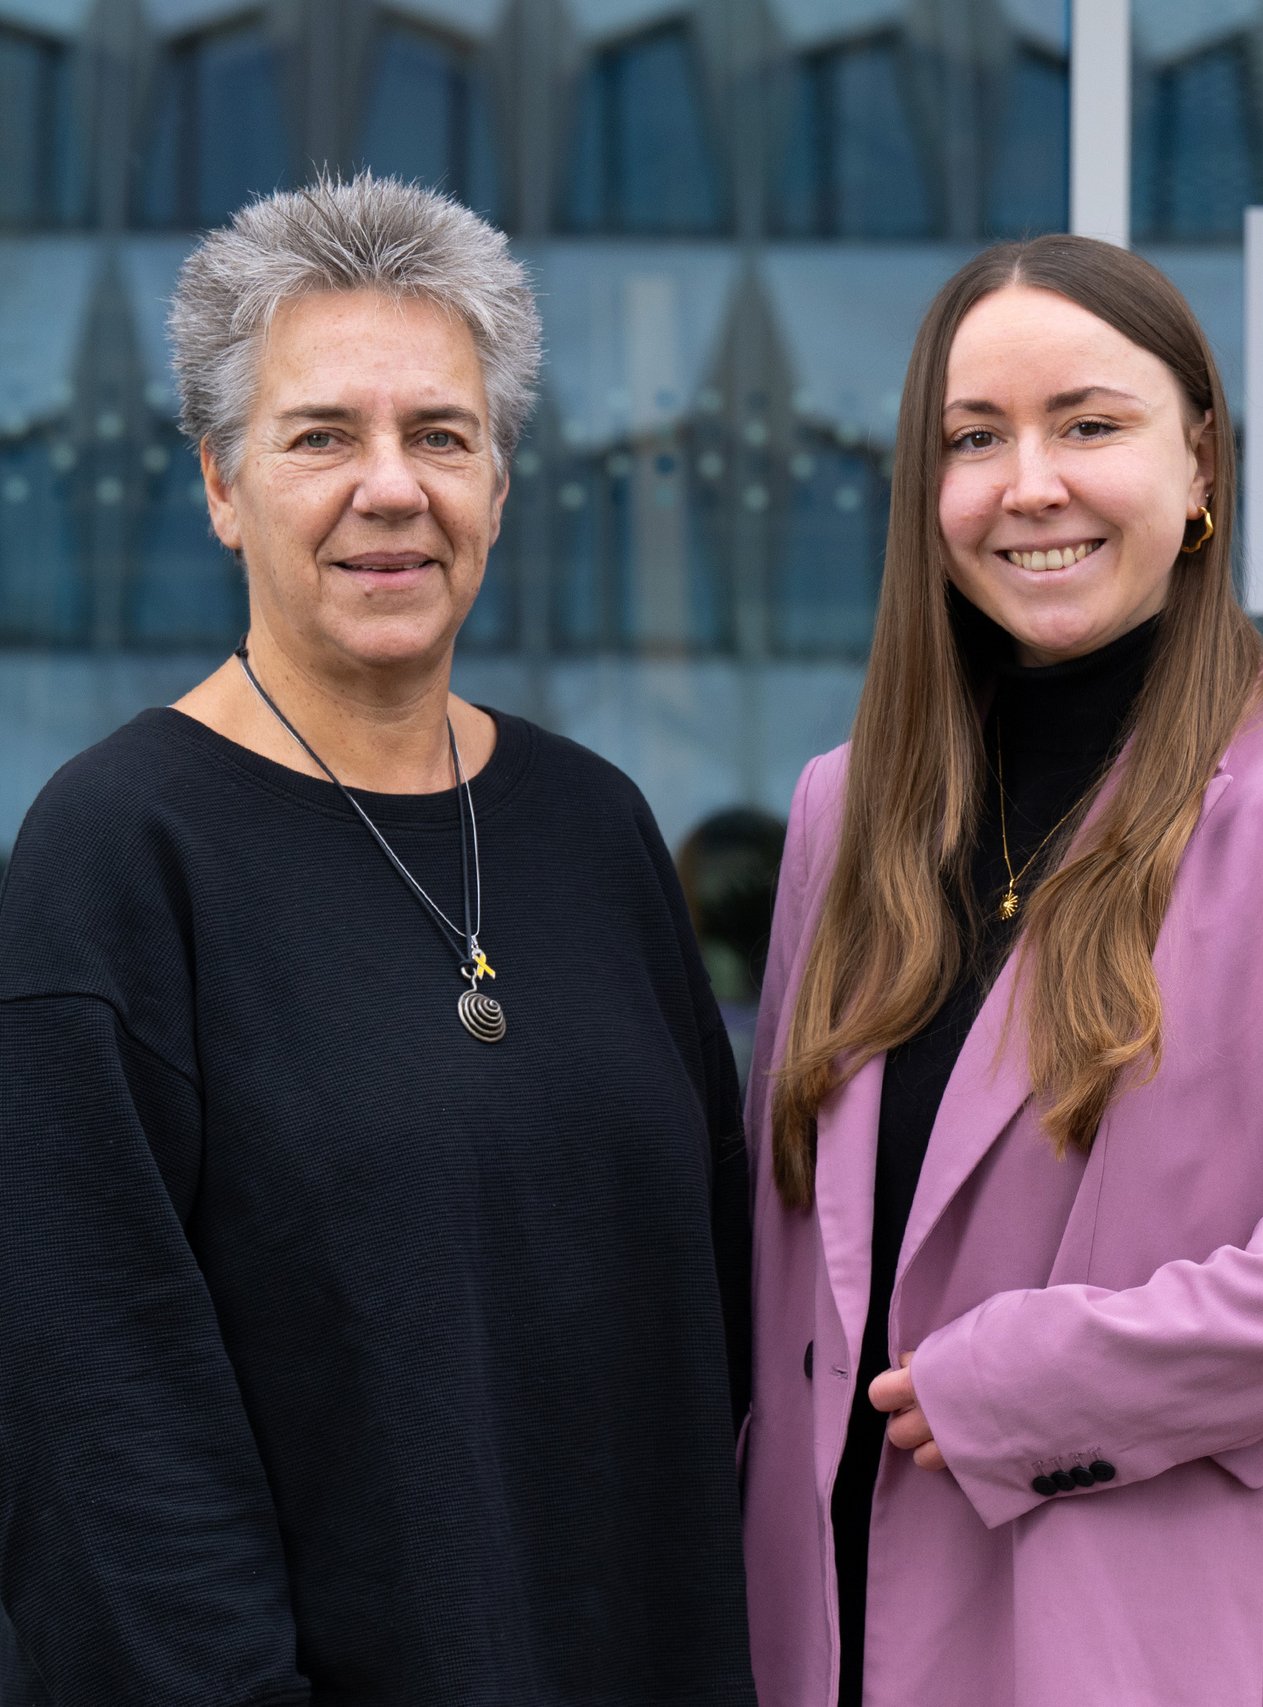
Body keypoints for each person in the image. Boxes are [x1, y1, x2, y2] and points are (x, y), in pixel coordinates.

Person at [0, 175, 756, 1707]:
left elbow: (713, 1322)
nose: (391, 487)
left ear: (500, 481)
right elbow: (98, 1436)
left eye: (442, 435)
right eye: (321, 436)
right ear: (221, 486)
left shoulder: (594, 828)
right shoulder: (116, 854)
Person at [740, 235, 1263, 1706]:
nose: (1029, 482)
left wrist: (1043, 1380)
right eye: (976, 439)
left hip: (1172, 1652)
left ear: (1202, 470)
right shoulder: (841, 816)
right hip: (831, 1641)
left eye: (1090, 425)